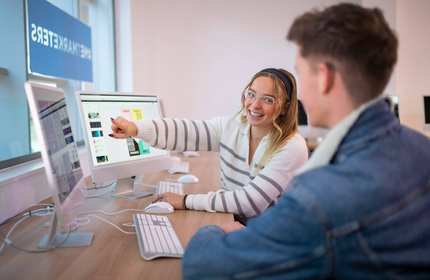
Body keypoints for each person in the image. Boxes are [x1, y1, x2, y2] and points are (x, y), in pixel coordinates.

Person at [181, 3, 430, 279]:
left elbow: (202, 266)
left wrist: (215, 230)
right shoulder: (422, 149)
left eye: (300, 72)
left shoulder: (319, 198)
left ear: (324, 78)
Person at [110, 68, 308, 220]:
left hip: (273, 233)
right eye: (251, 94)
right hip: (238, 220)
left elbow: (250, 203)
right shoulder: (233, 125)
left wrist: (186, 201)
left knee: (197, 244)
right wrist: (135, 129)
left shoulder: (292, 147)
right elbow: (184, 132)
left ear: (285, 108)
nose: (254, 105)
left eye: (268, 99)